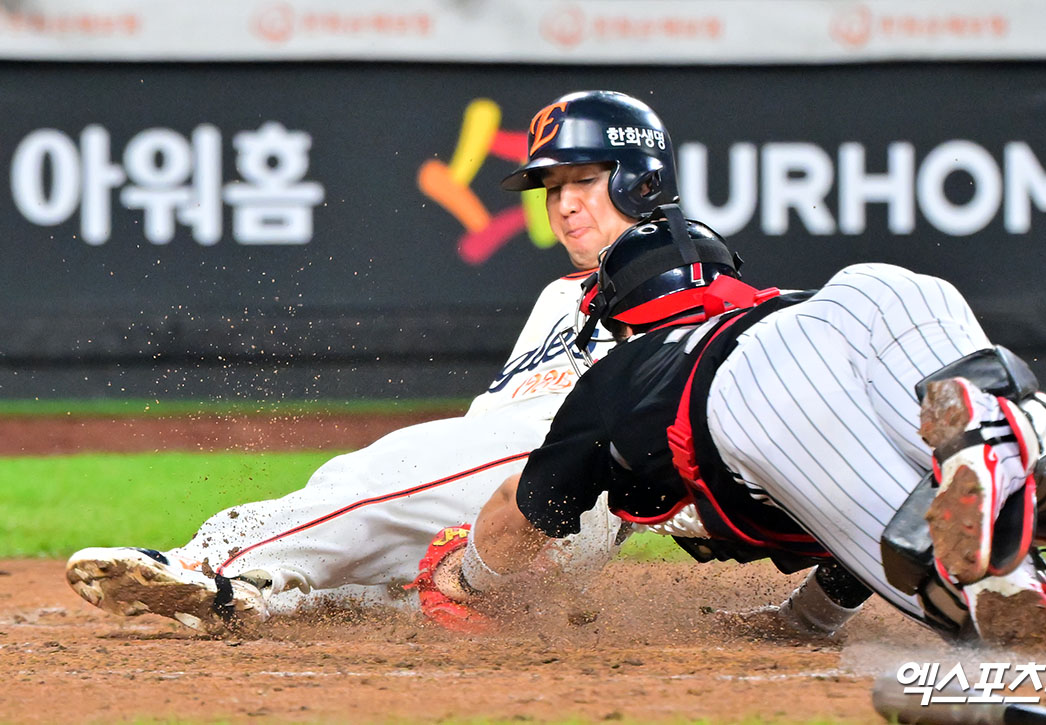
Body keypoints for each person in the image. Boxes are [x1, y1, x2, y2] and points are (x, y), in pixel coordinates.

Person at [64, 90, 680, 636]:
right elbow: (486, 427)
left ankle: (204, 560)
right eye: (552, 187)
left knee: (376, 475)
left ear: (640, 181)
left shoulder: (684, 287)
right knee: (360, 584)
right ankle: (243, 597)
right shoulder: (558, 296)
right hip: (502, 506)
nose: (564, 203)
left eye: (584, 181)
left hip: (566, 492)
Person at [428, 206, 1046, 652]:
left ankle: (1001, 591)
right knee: (964, 411)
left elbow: (522, 509)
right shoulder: (782, 301)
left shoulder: (622, 372)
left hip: (746, 392)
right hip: (864, 295)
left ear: (624, 315)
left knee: (938, 572)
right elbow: (835, 558)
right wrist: (806, 620)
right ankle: (1032, 454)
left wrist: (469, 578)